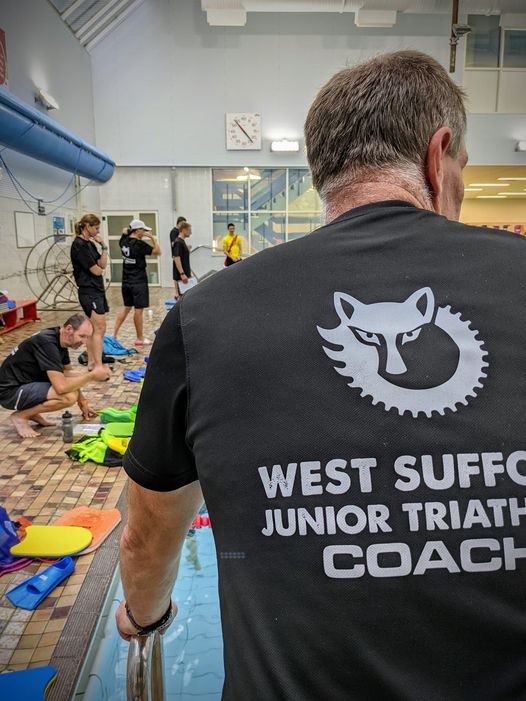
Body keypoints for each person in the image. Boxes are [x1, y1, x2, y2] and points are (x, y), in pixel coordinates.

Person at [117, 50, 526, 699]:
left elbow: (145, 537)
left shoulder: (205, 317)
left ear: (321, 171)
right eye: (463, 172)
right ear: (437, 154)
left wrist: (145, 616)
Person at [0, 313, 110, 439]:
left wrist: (83, 403)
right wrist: (92, 375)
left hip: (25, 384)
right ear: (69, 329)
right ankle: (21, 416)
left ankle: (31, 412)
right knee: (68, 397)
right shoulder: (47, 342)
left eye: (87, 337)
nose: (84, 342)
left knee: (76, 379)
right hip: (9, 392)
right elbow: (61, 387)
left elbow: (70, 377)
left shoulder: (60, 341)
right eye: (82, 336)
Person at [112, 219, 161, 346]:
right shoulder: (139, 245)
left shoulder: (123, 241)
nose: (144, 232)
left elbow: (124, 232)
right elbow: (157, 252)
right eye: (143, 230)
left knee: (126, 307)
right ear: (138, 230)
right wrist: (152, 238)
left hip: (126, 280)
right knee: (138, 310)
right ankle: (139, 338)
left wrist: (125, 232)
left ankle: (114, 334)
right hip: (138, 281)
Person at [70, 213, 109, 370]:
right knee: (99, 328)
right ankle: (97, 364)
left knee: (95, 329)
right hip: (88, 291)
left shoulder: (90, 244)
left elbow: (103, 264)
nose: (98, 231)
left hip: (96, 290)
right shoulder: (78, 245)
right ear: (87, 226)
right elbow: (96, 270)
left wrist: (104, 246)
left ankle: (93, 362)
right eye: (96, 228)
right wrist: (99, 268)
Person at [172, 221, 194, 298]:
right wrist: (182, 274)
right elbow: (176, 258)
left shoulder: (182, 242)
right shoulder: (178, 242)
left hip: (185, 274)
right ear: (184, 230)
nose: (190, 233)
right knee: (182, 298)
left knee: (186, 297)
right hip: (181, 276)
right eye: (189, 230)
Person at [170, 216, 187, 298]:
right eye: (183, 224)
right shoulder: (174, 232)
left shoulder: (179, 235)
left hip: (178, 255)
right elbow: (174, 244)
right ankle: (177, 293)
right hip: (176, 256)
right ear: (179, 223)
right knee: (177, 275)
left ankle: (179, 293)